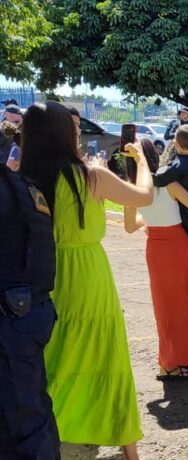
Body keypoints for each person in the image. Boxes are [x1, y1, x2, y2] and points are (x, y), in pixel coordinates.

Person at [20, 101, 150, 459]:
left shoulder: (20, 177)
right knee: (105, 356)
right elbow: (145, 197)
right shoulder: (91, 175)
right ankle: (127, 448)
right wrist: (140, 161)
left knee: (50, 356)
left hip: (39, 274)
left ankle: (54, 429)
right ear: (67, 134)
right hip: (88, 276)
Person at [123, 138, 188, 380]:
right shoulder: (169, 183)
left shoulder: (130, 187)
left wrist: (152, 220)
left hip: (156, 248)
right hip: (179, 246)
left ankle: (178, 360)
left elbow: (130, 227)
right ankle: (172, 363)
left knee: (168, 308)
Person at [0, 162, 59, 458]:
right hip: (29, 314)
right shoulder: (25, 188)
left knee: (21, 426)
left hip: (10, 322)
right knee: (32, 416)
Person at [153, 125, 188, 274]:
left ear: (175, 144)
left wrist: (144, 171)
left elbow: (159, 180)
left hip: (182, 208)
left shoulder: (178, 165)